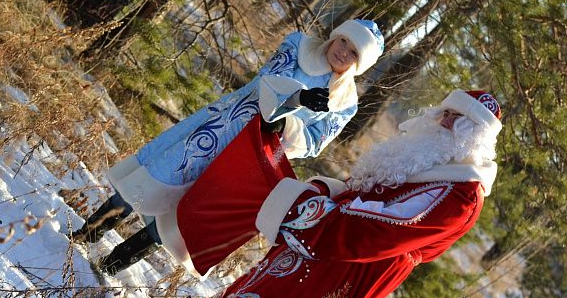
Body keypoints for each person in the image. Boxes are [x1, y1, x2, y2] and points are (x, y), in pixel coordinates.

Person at [149, 90, 503, 298]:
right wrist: (327, 194)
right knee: (262, 293)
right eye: (448, 112)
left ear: (475, 138)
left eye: (461, 122)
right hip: (325, 234)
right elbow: (366, 192)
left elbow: (380, 231)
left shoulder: (462, 195)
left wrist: (308, 208)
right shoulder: (425, 155)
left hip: (354, 265)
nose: (447, 122)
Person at [73, 19, 385, 275]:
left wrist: (288, 127)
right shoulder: (299, 46)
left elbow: (316, 141)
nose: (344, 52)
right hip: (222, 126)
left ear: (360, 64)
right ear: (336, 36)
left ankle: (110, 266)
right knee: (159, 175)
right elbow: (268, 78)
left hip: (249, 156)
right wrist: (299, 99)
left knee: (189, 207)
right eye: (344, 41)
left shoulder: (346, 104)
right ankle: (86, 236)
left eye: (355, 53)